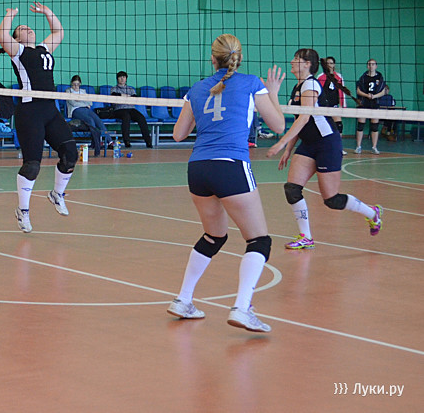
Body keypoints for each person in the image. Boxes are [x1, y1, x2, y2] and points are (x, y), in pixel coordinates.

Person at [168, 33, 285, 333]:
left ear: (212, 58)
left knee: (214, 236)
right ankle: (242, 308)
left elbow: (178, 135)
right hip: (231, 165)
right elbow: (279, 126)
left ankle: (183, 300)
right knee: (259, 240)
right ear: (239, 57)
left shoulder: (197, 88)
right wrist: (272, 93)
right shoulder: (251, 83)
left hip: (199, 169)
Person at [267, 48, 383, 250]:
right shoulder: (297, 87)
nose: (292, 62)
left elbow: (304, 118)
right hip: (308, 145)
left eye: (296, 59)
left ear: (307, 64)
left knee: (332, 200)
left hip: (326, 144)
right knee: (292, 189)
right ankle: (306, 236)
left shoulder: (311, 84)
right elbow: (298, 120)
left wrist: (281, 143)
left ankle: (373, 213)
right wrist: (289, 149)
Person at [0, 2, 77, 233]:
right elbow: (3, 36)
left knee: (70, 154)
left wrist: (47, 13)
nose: (28, 29)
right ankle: (23, 210)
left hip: (50, 109)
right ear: (17, 38)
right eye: (22, 29)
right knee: (32, 165)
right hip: (29, 111)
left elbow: (59, 32)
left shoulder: (44, 49)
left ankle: (57, 194)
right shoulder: (18, 52)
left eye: (28, 27)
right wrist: (10, 16)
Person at [65, 75, 109, 154]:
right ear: (71, 83)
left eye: (77, 84)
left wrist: (79, 100)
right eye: (74, 84)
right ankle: (96, 143)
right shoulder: (68, 91)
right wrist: (84, 102)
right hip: (76, 110)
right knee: (90, 120)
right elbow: (74, 103)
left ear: (80, 84)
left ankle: (110, 141)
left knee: (98, 121)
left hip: (86, 109)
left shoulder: (83, 91)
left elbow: (90, 102)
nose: (76, 86)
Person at [109, 71, 152, 148]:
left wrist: (123, 97)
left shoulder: (131, 89)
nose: (122, 78)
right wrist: (123, 95)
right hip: (119, 109)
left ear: (126, 79)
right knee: (126, 117)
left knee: (141, 118)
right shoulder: (114, 88)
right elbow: (114, 96)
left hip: (131, 109)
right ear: (117, 79)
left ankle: (148, 141)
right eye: (120, 77)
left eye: (124, 77)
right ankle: (127, 141)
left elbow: (135, 98)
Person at [354, 59, 387, 154]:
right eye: (369, 64)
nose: (371, 66)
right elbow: (358, 91)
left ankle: (374, 147)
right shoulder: (363, 77)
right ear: (367, 66)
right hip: (364, 103)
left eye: (373, 64)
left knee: (375, 126)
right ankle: (358, 146)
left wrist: (374, 96)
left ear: (376, 66)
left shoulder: (380, 77)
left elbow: (384, 91)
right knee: (360, 125)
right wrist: (367, 95)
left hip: (375, 103)